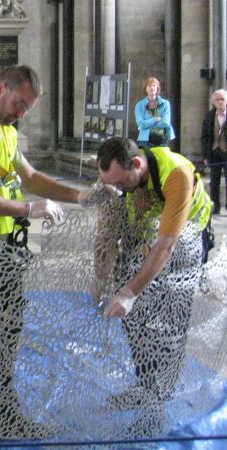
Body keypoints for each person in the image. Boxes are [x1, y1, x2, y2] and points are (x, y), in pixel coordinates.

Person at [0, 65, 106, 443]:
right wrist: (31, 210)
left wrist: (79, 196)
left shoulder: (5, 128)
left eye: (28, 109)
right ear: (0, 88)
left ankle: (1, 412)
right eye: (19, 104)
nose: (21, 114)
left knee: (6, 335)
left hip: (3, 252)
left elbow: (28, 176)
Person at [95, 137, 212, 435]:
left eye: (121, 183)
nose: (118, 190)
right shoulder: (120, 178)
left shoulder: (177, 175)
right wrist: (103, 280)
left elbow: (167, 244)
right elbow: (109, 230)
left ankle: (157, 404)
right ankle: (144, 386)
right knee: (135, 322)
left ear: (137, 164)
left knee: (169, 326)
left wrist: (130, 292)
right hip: (149, 235)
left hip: (184, 240)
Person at [201, 88, 227, 215]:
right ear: (213, 102)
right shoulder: (209, 115)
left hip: (226, 151)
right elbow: (205, 137)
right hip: (214, 152)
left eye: (222, 99)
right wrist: (205, 155)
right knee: (214, 182)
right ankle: (215, 206)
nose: (220, 102)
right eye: (217, 100)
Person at [134, 77, 175, 148]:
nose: (152, 88)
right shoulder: (139, 105)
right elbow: (141, 124)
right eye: (149, 86)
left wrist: (147, 124)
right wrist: (155, 119)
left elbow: (165, 122)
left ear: (157, 88)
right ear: (145, 89)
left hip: (161, 138)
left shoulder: (165, 103)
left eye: (154, 85)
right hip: (145, 139)